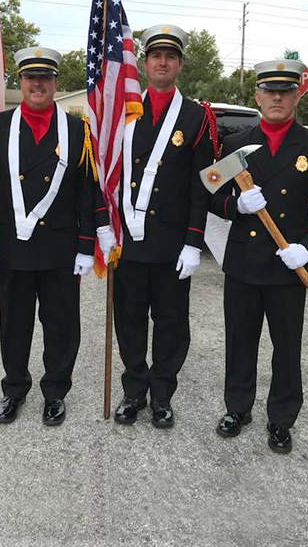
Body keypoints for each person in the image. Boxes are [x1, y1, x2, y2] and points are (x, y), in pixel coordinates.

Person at [209, 59, 308, 453]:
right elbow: (211, 195)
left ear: (295, 95)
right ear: (257, 96)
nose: (276, 97)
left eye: (284, 91)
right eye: (268, 91)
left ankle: (282, 418)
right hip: (243, 262)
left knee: (287, 345)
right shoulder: (236, 145)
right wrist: (237, 205)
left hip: (289, 264)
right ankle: (238, 408)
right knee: (240, 340)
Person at [0, 47, 113, 426]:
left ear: (54, 83)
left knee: (62, 326)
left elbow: (87, 190)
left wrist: (87, 246)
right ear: (20, 82)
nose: (38, 84)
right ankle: (14, 389)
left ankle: (55, 391)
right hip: (11, 245)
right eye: (31, 78)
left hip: (60, 248)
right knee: (14, 324)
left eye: (45, 78)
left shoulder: (76, 128)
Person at [113, 25, 215, 428]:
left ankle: (162, 394)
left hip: (173, 243)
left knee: (171, 321)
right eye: (156, 55)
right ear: (144, 61)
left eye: (170, 57)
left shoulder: (195, 116)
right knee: (130, 317)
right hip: (130, 240)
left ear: (179, 65)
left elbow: (200, 183)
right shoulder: (123, 111)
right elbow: (108, 174)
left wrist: (194, 241)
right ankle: (134, 389)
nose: (162, 62)